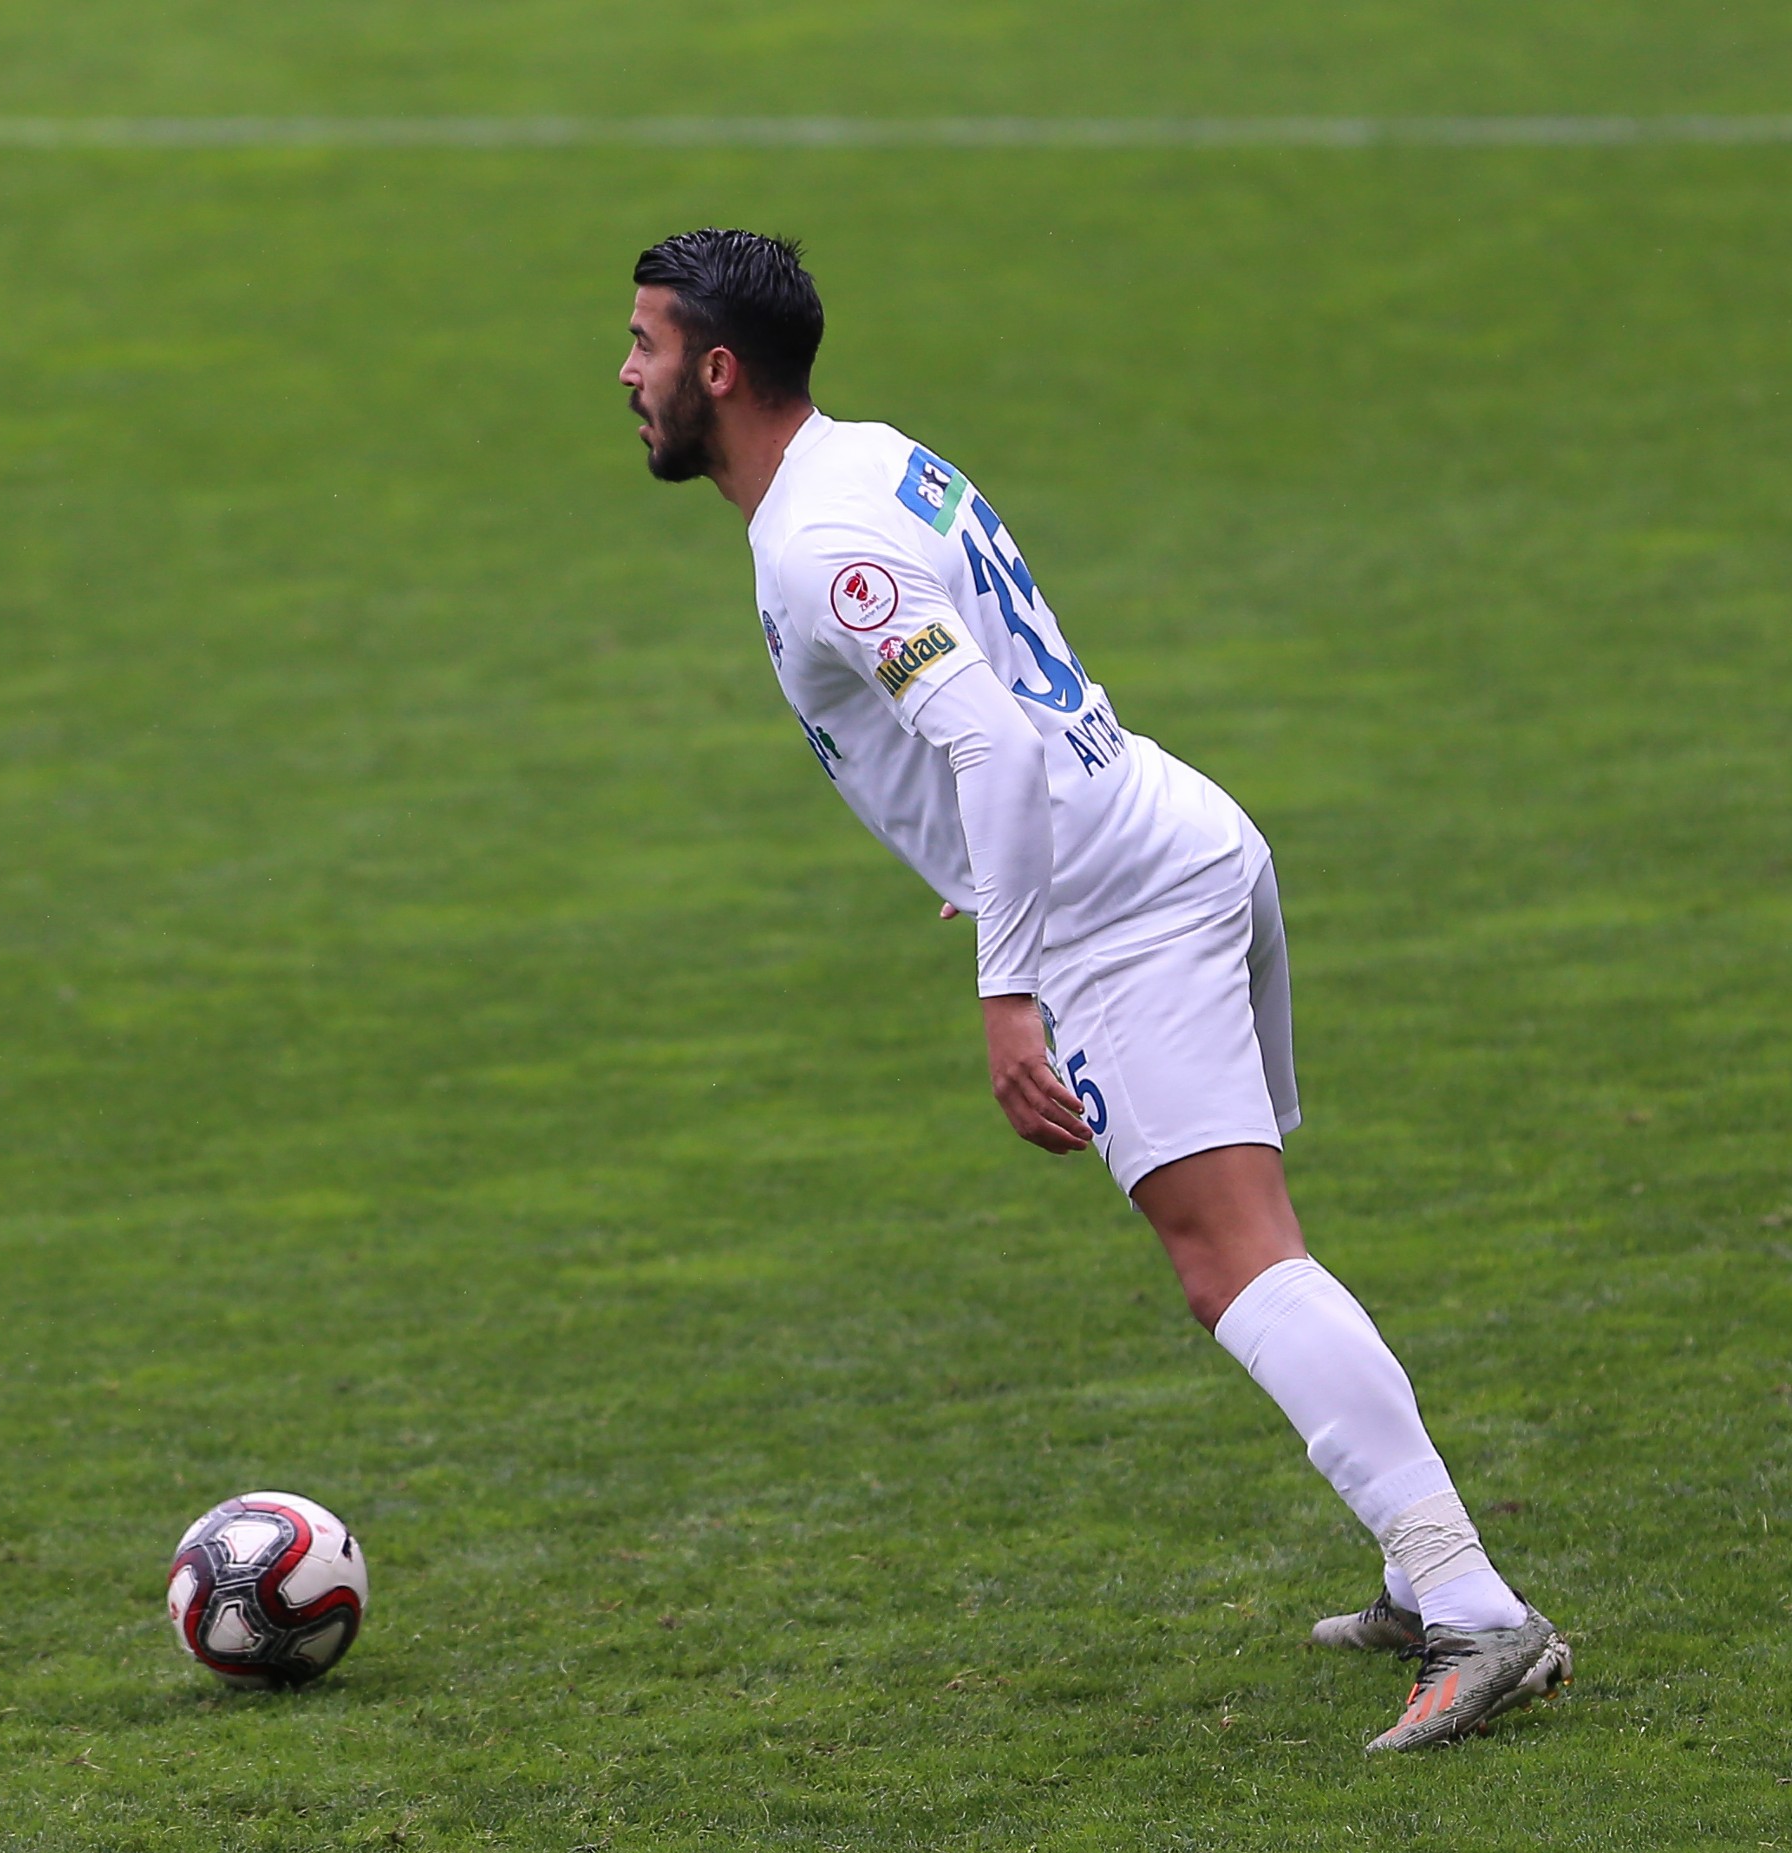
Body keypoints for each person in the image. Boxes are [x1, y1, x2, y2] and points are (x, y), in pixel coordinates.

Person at [618, 226, 1571, 1752]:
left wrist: (1008, 988)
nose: (628, 371)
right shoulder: (870, 456)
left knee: (1233, 1263)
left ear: (718, 370)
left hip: (1119, 917)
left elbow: (990, 744)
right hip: (1173, 827)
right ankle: (1421, 1567)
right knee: (1263, 1246)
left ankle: (1476, 1611)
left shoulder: (813, 545)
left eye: (648, 344)